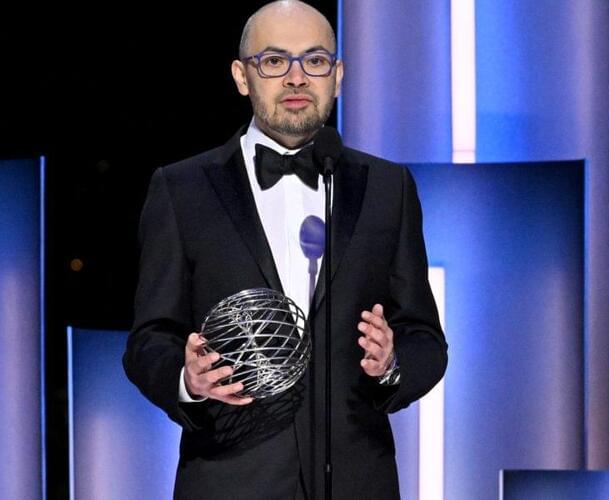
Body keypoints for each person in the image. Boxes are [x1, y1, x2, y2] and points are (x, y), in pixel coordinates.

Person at [122, 2, 447, 498]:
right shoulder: (181, 189)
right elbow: (148, 340)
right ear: (242, 76)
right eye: (274, 61)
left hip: (357, 481)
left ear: (337, 76)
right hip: (231, 481)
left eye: (314, 60)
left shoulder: (388, 187)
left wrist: (392, 363)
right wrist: (186, 378)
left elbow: (425, 337)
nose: (297, 77)